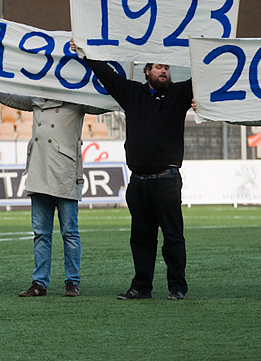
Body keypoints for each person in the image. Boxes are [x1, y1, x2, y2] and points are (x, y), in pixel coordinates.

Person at [74, 42, 192, 301]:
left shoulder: (179, 94)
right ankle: (141, 287)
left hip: (167, 179)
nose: (165, 72)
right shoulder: (132, 94)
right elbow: (106, 75)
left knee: (173, 236)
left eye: (167, 67)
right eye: (159, 67)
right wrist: (85, 53)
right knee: (141, 238)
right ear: (146, 70)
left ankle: (177, 287)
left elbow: (207, 76)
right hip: (138, 182)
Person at [0, 89, 105, 298]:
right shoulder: (36, 97)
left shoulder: (77, 96)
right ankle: (39, 283)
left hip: (65, 172)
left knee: (70, 233)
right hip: (40, 171)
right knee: (41, 233)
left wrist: (123, 89)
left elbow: (102, 105)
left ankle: (72, 282)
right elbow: (12, 97)